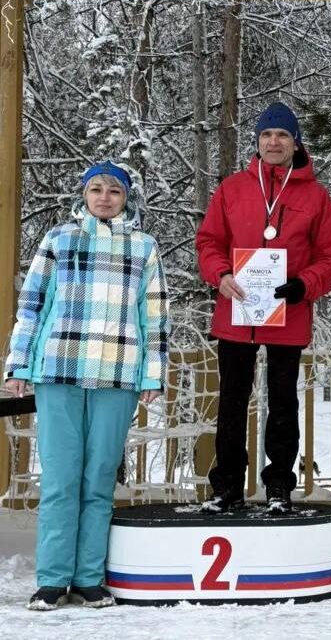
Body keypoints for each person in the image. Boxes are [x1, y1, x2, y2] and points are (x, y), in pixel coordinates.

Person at [4, 161, 169, 611]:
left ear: (126, 197)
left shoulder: (143, 247)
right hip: (59, 370)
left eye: (113, 190)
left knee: (98, 480)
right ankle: (53, 580)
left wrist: (152, 373)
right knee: (60, 479)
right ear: (83, 195)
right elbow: (31, 305)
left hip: (117, 374)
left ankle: (89, 578)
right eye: (95, 189)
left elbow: (154, 315)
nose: (103, 197)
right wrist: (19, 364)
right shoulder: (59, 239)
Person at [196, 101, 331, 514]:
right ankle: (226, 486)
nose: (274, 142)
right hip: (236, 314)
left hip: (288, 315)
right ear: (257, 143)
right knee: (231, 402)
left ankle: (279, 484)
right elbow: (208, 242)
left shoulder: (315, 196)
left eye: (282, 136)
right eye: (266, 136)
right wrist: (221, 275)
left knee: (283, 404)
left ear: (296, 144)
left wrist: (305, 285)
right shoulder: (232, 189)